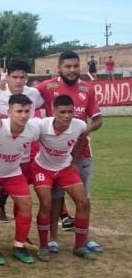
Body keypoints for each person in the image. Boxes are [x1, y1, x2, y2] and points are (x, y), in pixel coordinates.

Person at [35, 50, 103, 254]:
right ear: (59, 68)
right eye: (68, 66)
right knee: (54, 198)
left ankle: (83, 239)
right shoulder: (47, 86)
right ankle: (53, 239)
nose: (72, 70)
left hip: (82, 154)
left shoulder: (87, 89)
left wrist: (83, 133)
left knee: (84, 199)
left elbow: (98, 119)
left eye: (75, 66)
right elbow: (24, 98)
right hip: (54, 155)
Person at [31, 95, 96, 261]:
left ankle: (79, 246)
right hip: (43, 168)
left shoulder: (79, 125)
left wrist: (73, 160)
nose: (67, 116)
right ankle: (43, 246)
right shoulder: (41, 125)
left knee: (83, 202)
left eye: (70, 112)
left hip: (65, 168)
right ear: (54, 111)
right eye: (62, 112)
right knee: (46, 203)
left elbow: (82, 139)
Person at [0, 94, 40, 265]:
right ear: (9, 112)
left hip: (13, 172)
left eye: (27, 111)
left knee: (26, 204)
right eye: (19, 111)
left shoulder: (33, 130)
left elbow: (53, 125)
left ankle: (19, 246)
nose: (23, 115)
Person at [0, 59, 44, 223]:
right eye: (15, 77)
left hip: (23, 151)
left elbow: (49, 93)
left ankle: (21, 235)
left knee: (22, 195)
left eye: (22, 77)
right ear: (7, 76)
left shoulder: (33, 94)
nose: (19, 81)